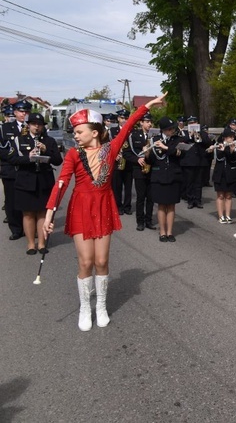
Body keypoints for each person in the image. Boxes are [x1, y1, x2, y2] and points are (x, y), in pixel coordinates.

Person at [43, 94, 166, 331]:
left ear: (95, 132)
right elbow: (62, 183)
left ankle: (100, 305)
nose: (75, 135)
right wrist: (49, 214)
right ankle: (84, 308)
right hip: (81, 208)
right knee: (86, 261)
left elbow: (128, 126)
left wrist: (145, 107)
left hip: (103, 206)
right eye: (75, 131)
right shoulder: (72, 155)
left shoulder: (110, 150)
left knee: (101, 261)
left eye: (79, 131)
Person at [7, 112, 63, 254]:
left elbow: (58, 160)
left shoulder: (49, 141)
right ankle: (31, 244)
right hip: (26, 181)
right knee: (28, 214)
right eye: (34, 124)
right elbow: (12, 159)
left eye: (39, 125)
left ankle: (42, 244)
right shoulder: (20, 140)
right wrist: (28, 157)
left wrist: (46, 150)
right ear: (29, 125)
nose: (37, 127)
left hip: (44, 181)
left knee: (43, 213)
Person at [146, 116, 184, 242]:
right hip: (159, 176)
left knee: (171, 205)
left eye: (172, 128)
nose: (171, 131)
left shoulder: (178, 140)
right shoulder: (154, 140)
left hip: (174, 175)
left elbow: (180, 154)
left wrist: (166, 147)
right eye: (169, 129)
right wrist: (146, 152)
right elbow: (150, 160)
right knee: (161, 205)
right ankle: (162, 232)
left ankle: (170, 232)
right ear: (163, 130)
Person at [0, 100, 32, 240]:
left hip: (28, 170)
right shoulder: (5, 128)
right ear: (15, 112)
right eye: (21, 111)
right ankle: (16, 229)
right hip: (10, 169)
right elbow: (3, 150)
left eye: (26, 111)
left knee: (28, 200)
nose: (23, 114)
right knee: (11, 201)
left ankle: (30, 228)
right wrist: (18, 160)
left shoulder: (34, 128)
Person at [122, 112, 156, 231]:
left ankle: (149, 220)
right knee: (141, 197)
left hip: (152, 169)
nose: (149, 124)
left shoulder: (155, 136)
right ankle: (140, 221)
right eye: (147, 121)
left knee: (151, 197)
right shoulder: (133, 135)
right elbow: (126, 153)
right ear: (141, 122)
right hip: (139, 169)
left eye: (150, 122)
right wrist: (137, 159)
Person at [211, 129, 236, 223]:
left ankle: (227, 215)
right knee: (220, 195)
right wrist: (220, 149)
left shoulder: (235, 146)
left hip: (230, 173)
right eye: (230, 137)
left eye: (233, 137)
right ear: (225, 138)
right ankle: (221, 216)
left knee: (228, 195)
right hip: (220, 174)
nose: (232, 138)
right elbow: (219, 157)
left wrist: (231, 150)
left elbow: (234, 159)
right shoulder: (219, 145)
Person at [182, 116, 211, 209]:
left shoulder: (202, 132)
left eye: (194, 123)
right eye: (190, 123)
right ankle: (190, 200)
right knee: (189, 182)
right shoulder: (185, 133)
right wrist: (191, 135)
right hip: (189, 161)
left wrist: (199, 135)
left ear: (197, 123)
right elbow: (182, 142)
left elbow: (208, 142)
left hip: (200, 161)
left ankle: (198, 200)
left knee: (198, 182)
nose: (192, 125)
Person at [111, 109, 134, 215]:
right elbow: (108, 145)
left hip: (129, 162)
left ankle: (127, 206)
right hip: (117, 161)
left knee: (128, 186)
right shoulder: (112, 131)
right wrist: (114, 155)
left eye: (126, 118)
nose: (124, 120)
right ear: (118, 119)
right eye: (122, 118)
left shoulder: (132, 131)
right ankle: (118, 206)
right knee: (117, 186)